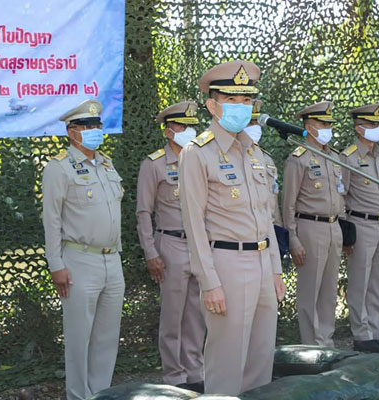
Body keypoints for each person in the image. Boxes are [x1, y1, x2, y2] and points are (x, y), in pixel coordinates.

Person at [179, 60, 286, 396]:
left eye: (247, 101)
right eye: (232, 100)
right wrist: (209, 281)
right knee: (226, 363)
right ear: (213, 105)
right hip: (226, 264)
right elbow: (193, 225)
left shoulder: (256, 154)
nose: (242, 108)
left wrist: (276, 271)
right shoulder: (197, 154)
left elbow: (265, 217)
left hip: (262, 262)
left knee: (260, 361)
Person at [41, 99, 125, 400]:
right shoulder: (58, 168)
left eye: (97, 125)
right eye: (86, 126)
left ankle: (100, 395)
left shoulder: (106, 164)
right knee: (79, 339)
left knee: (106, 338)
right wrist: (56, 264)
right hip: (79, 261)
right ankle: (77, 396)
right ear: (71, 132)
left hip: (112, 259)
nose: (94, 131)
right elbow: (51, 220)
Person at [136, 101, 205, 392]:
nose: (188, 131)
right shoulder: (154, 164)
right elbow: (143, 212)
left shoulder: (200, 159)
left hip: (199, 244)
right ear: (168, 131)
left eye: (191, 126)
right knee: (173, 315)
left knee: (197, 313)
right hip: (171, 244)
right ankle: (174, 377)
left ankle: (195, 372)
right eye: (182, 126)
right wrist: (151, 252)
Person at [282, 101, 344, 346]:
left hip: (333, 227)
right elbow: (288, 203)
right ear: (309, 127)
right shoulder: (298, 158)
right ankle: (311, 345)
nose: (328, 128)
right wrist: (293, 238)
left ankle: (326, 341)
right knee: (310, 290)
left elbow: (341, 194)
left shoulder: (335, 157)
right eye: (323, 124)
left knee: (329, 290)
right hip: (310, 227)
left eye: (330, 124)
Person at [340, 103, 379, 353]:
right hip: (360, 224)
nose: (377, 129)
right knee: (360, 282)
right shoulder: (349, 157)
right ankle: (362, 334)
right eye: (371, 124)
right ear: (358, 127)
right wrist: (346, 234)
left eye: (378, 124)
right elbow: (340, 195)